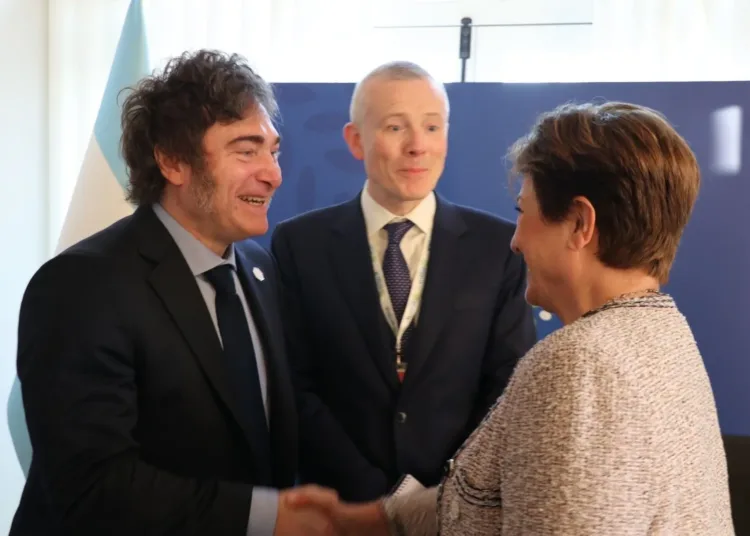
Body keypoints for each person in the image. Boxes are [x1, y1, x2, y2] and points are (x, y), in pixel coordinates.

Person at [290, 101, 736, 535]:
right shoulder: (665, 334)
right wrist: (376, 521)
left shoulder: (578, 364)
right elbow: (490, 499)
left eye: (523, 212)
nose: (515, 240)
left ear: (579, 223)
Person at [11, 50, 340, 536]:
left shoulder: (260, 269)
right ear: (172, 161)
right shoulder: (80, 286)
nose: (273, 173)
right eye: (246, 151)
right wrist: (265, 517)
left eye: (272, 151)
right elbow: (93, 488)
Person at [270, 61, 536, 502]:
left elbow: (507, 386)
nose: (417, 146)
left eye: (432, 127)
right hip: (343, 508)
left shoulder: (498, 248)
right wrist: (376, 500)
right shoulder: (300, 244)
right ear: (356, 140)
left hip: (457, 507)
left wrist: (439, 497)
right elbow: (295, 386)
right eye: (395, 127)